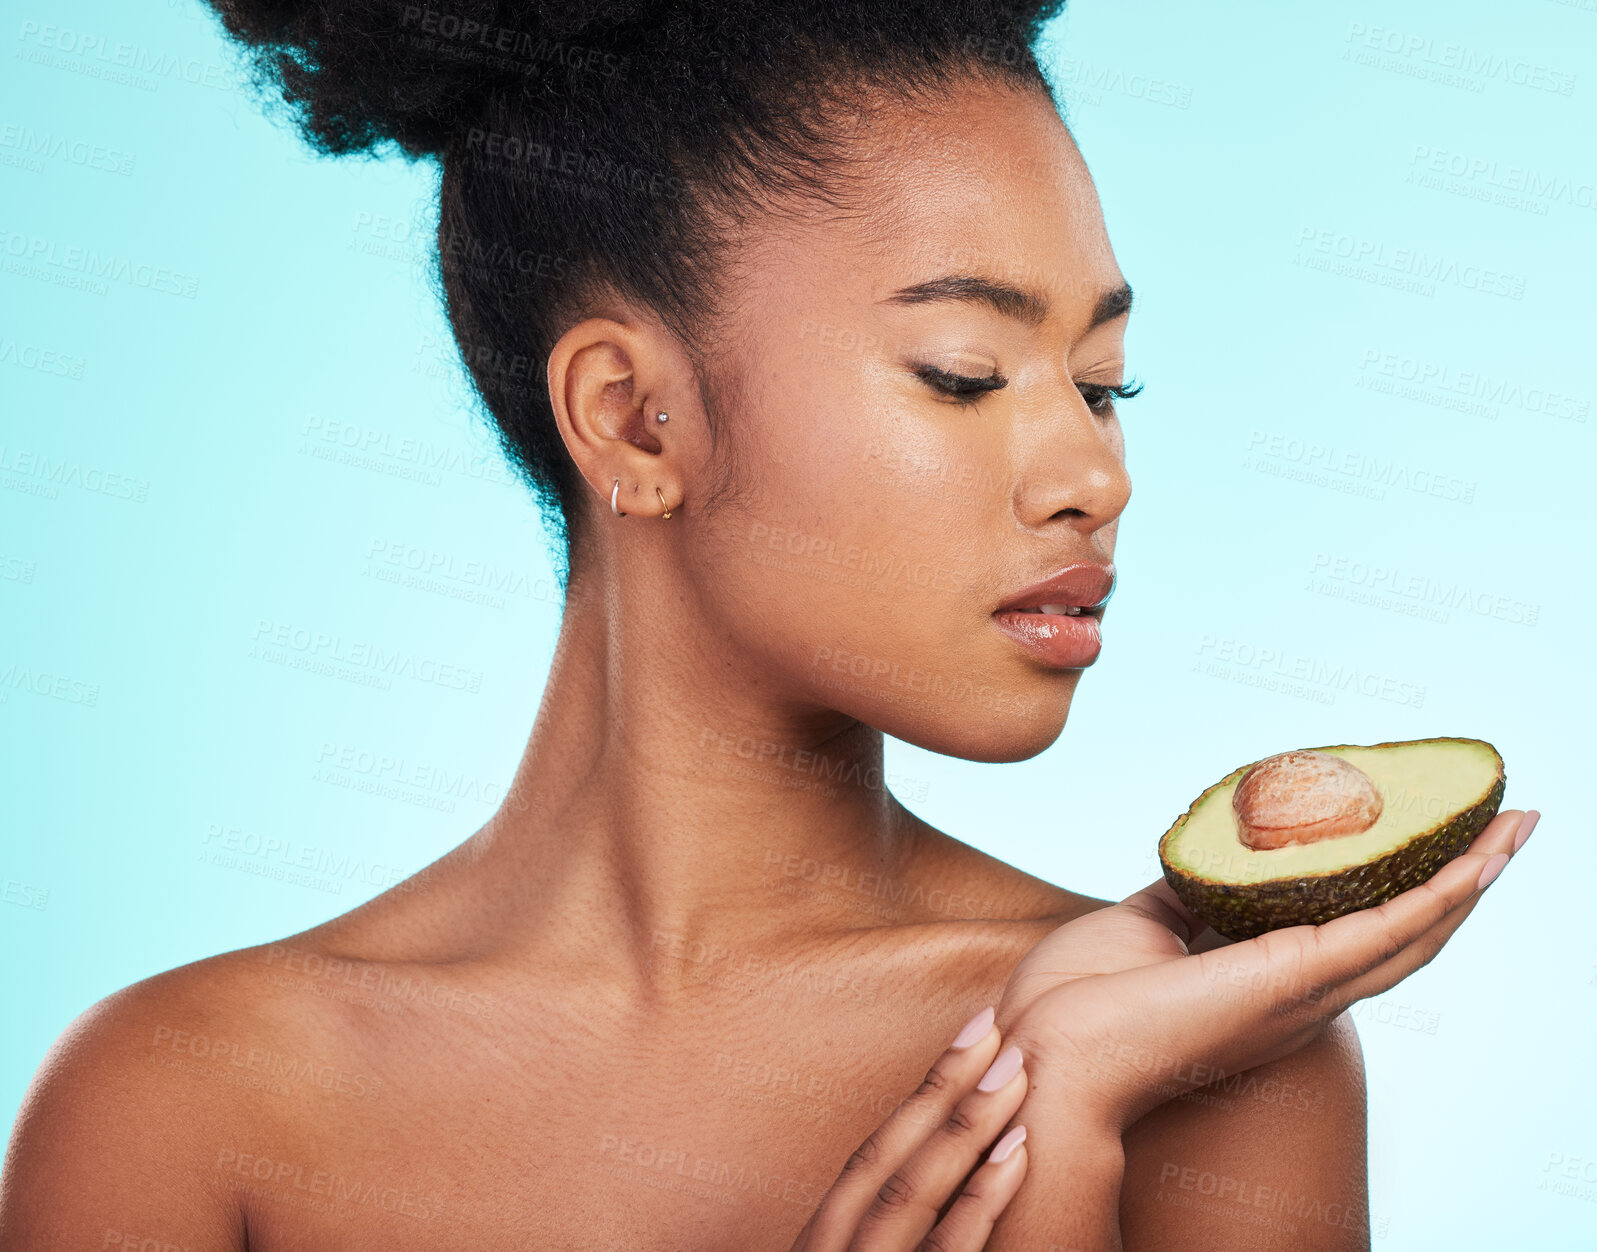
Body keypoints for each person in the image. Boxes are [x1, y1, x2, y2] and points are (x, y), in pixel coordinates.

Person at [0, 1, 1538, 1247]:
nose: (1091, 472)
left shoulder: (1197, 1064)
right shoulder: (186, 1108)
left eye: (1102, 382)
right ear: (635, 420)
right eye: (961, 371)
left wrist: (1056, 1157)